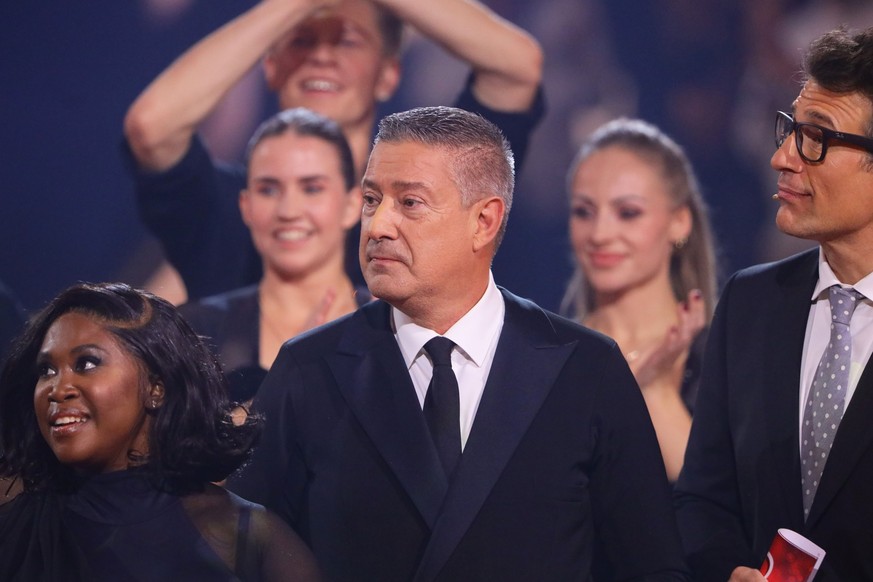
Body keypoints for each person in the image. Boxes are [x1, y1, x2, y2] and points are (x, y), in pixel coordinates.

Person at [228, 106, 689, 581]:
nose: (378, 225)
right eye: (371, 199)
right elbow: (241, 558)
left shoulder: (585, 370)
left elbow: (652, 569)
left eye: (410, 203)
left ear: (484, 221)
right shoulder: (310, 369)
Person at [123, 0, 544, 301]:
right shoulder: (234, 207)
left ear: (388, 74)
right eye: (302, 40)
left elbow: (516, 68)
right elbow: (151, 127)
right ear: (270, 66)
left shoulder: (431, 190)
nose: (322, 56)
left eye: (347, 40)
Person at [674, 26, 873, 582]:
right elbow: (703, 500)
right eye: (789, 130)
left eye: (816, 138)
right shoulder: (751, 301)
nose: (782, 157)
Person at [0, 282, 323, 581]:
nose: (58, 388)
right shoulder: (14, 533)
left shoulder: (246, 535)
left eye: (86, 363)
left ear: (156, 387)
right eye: (47, 370)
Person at [562, 118, 719, 481]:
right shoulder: (549, 351)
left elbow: (714, 504)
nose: (600, 234)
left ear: (679, 222)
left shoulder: (718, 360)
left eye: (628, 213)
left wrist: (656, 390)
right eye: (583, 211)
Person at [179, 108, 369, 406]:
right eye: (268, 190)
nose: (288, 211)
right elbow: (184, 449)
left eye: (312, 188)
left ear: (352, 205)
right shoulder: (195, 333)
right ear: (246, 206)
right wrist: (289, 377)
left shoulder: (394, 327)